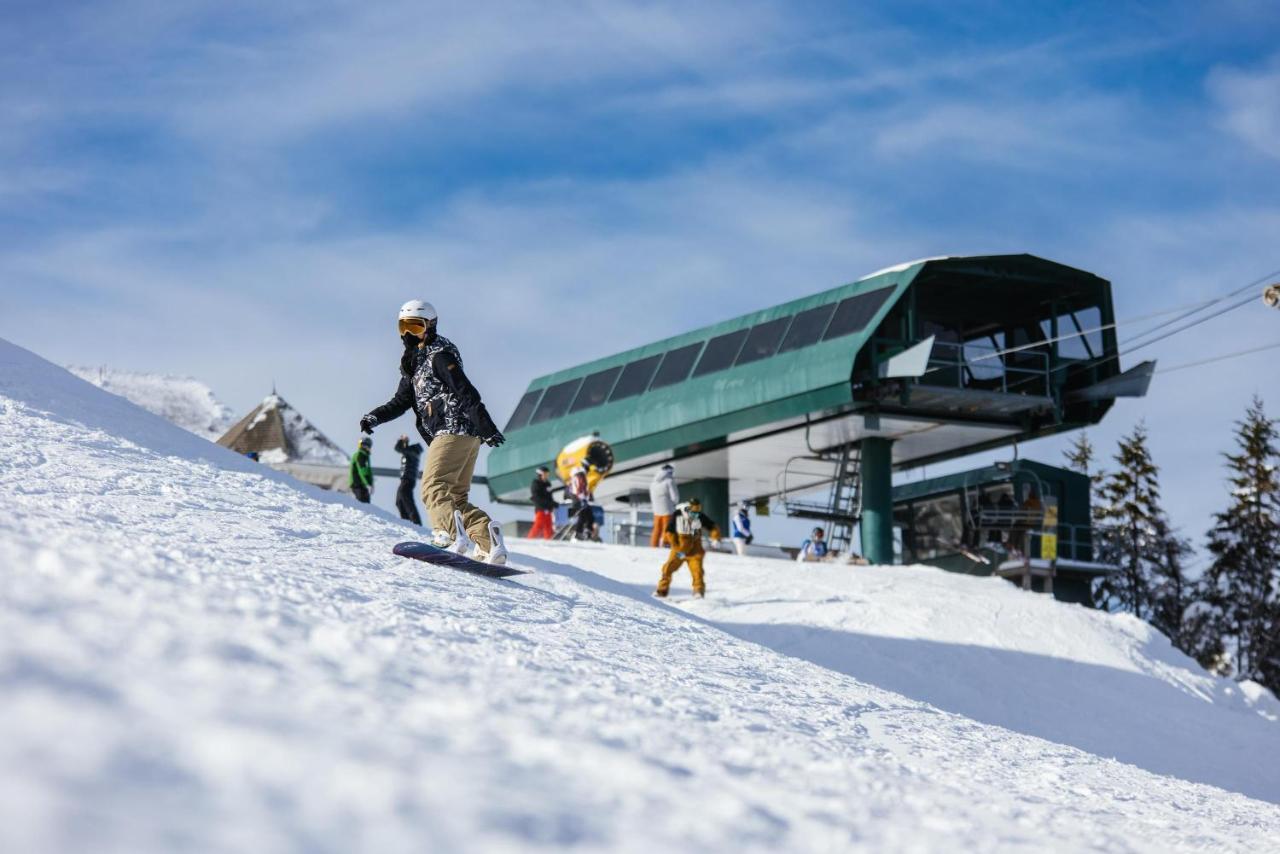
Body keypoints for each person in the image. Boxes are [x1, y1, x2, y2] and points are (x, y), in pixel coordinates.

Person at [361, 300, 509, 564]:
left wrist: (486, 426)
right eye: (403, 327)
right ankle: (489, 543)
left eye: (415, 327)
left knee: (432, 486)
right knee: (456, 497)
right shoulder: (414, 364)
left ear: (430, 326)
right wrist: (375, 416)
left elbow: (465, 390)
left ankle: (448, 535)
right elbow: (400, 402)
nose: (408, 334)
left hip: (453, 429)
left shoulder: (440, 355)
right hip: (465, 435)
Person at [654, 498, 721, 599]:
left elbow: (712, 526)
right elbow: (669, 531)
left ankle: (698, 591)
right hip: (680, 551)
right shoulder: (677, 515)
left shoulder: (700, 516)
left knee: (697, 571)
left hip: (695, 550)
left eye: (696, 512)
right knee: (668, 568)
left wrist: (715, 538)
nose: (694, 515)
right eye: (692, 512)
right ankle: (661, 591)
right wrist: (671, 544)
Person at [393, 434, 424, 525]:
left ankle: (415, 523)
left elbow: (398, 448)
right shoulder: (412, 451)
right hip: (407, 479)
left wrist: (402, 440)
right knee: (399, 501)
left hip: (407, 479)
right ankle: (407, 523)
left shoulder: (412, 451)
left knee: (406, 500)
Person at [649, 464, 679, 548]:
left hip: (656, 510)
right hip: (667, 509)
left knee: (657, 529)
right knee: (667, 528)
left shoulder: (653, 483)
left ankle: (653, 545)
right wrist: (674, 503)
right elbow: (675, 497)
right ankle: (666, 544)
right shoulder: (669, 481)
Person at [568, 463, 597, 541]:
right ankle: (578, 533)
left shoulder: (583, 479)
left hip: (584, 501)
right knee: (582, 517)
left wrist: (589, 499)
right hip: (579, 502)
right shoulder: (576, 479)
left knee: (590, 517)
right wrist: (580, 500)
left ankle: (588, 532)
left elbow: (587, 491)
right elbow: (576, 491)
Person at [529, 465, 557, 539]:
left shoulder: (547, 484)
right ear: (540, 474)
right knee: (538, 525)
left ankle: (548, 540)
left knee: (548, 526)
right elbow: (537, 498)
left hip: (548, 509)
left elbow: (549, 496)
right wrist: (549, 503)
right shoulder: (536, 483)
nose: (546, 476)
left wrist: (553, 503)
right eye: (545, 474)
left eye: (547, 474)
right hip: (541, 508)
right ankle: (530, 539)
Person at [350, 436, 373, 504]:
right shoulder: (360, 455)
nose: (366, 447)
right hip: (357, 484)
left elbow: (367, 471)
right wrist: (368, 483)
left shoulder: (364, 455)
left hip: (361, 484)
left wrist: (370, 483)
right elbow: (362, 470)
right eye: (364, 445)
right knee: (362, 503)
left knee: (366, 502)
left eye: (367, 445)